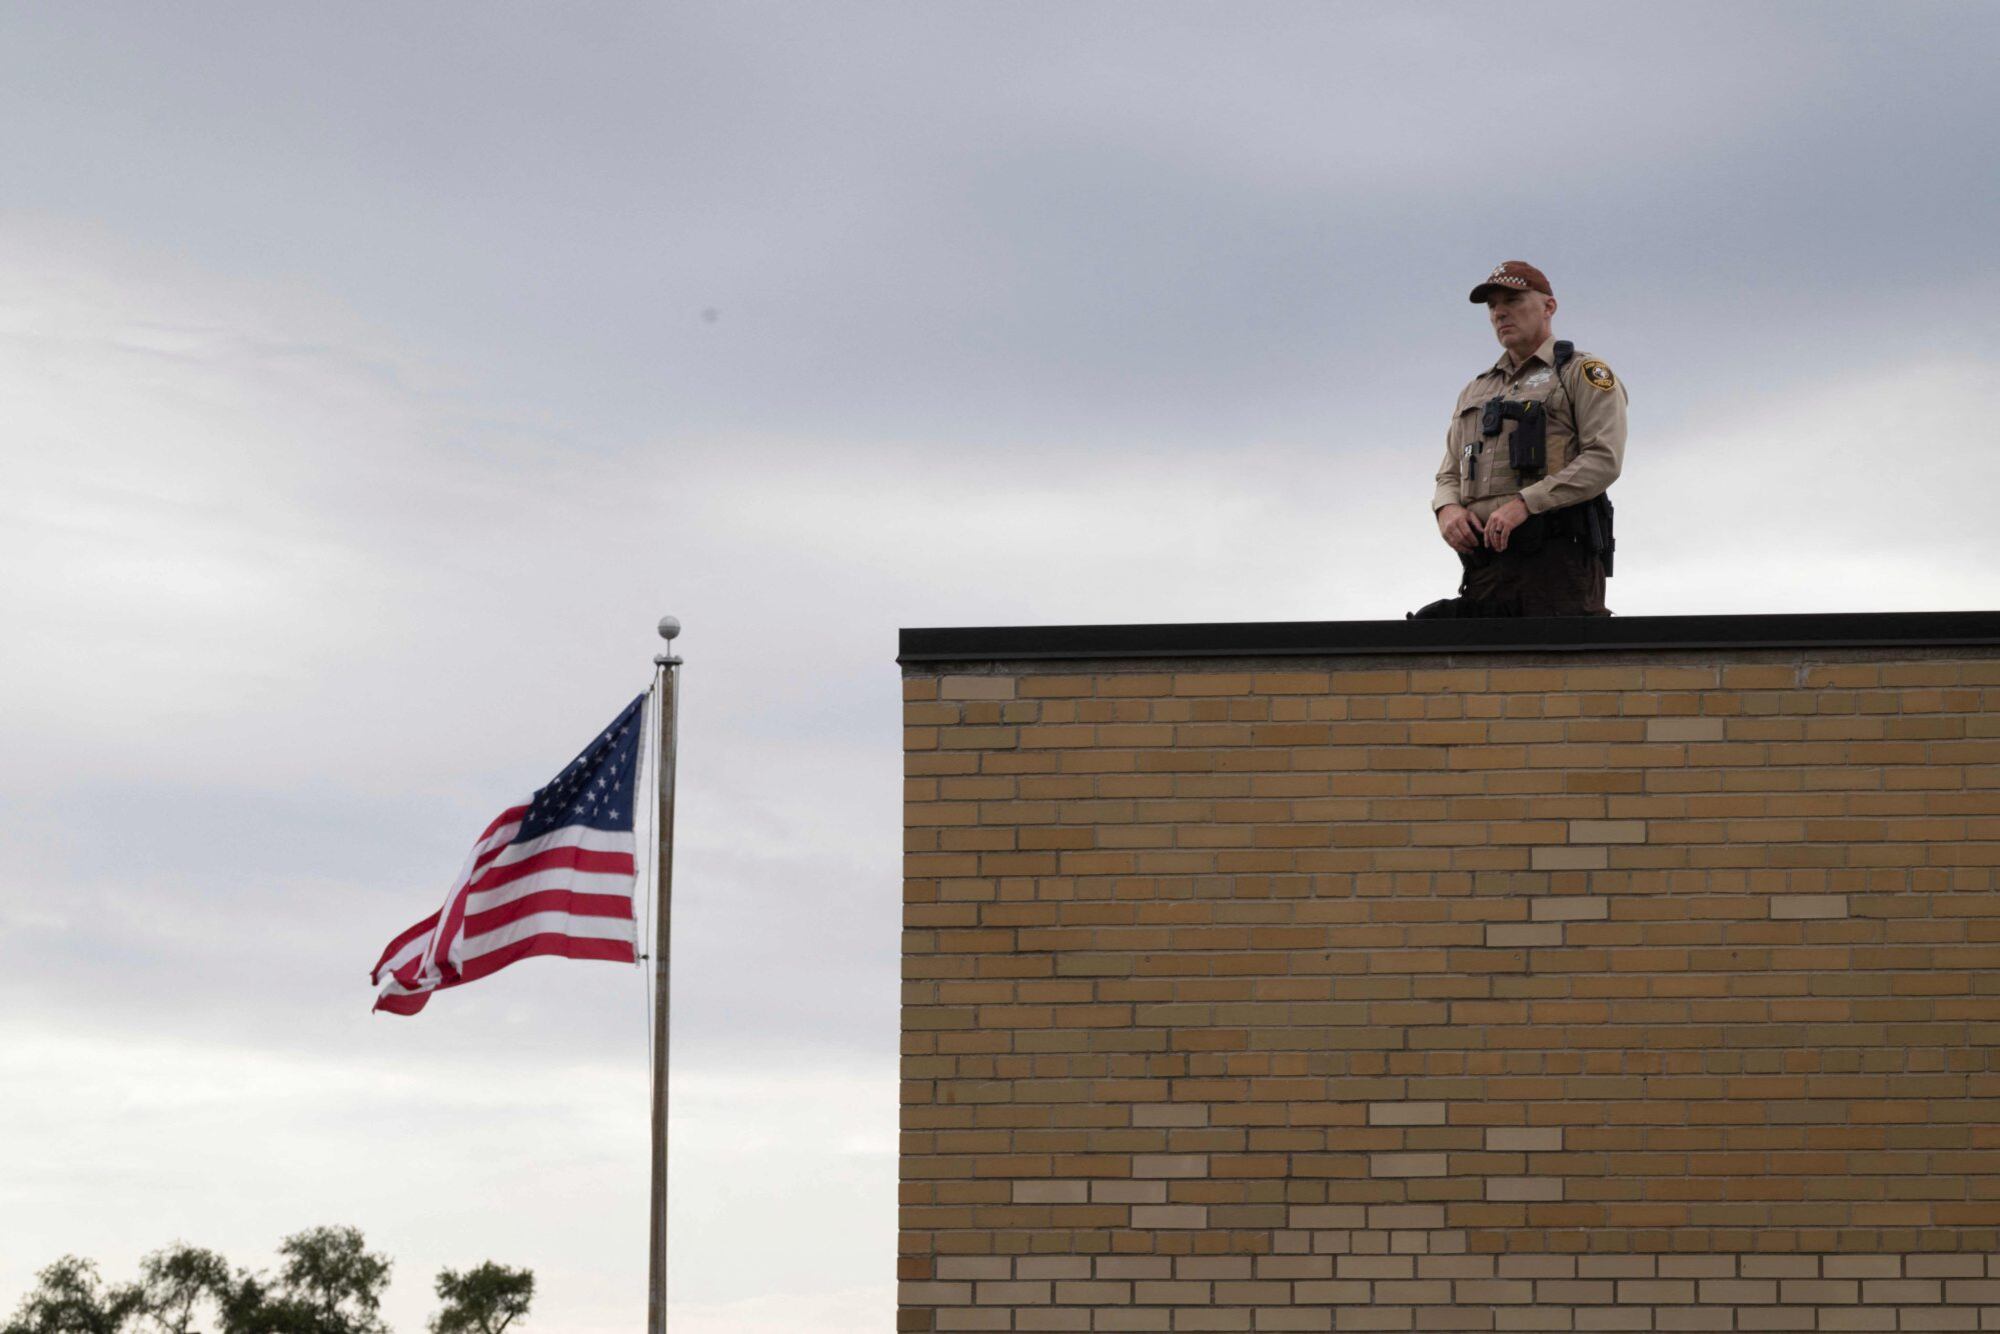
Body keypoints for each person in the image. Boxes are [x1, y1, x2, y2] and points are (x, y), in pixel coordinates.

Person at [1414, 261, 1627, 618]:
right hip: (1486, 566)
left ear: (1549, 307)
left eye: (1512, 300)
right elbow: (1448, 472)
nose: (1500, 312)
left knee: (1556, 668)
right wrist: (1447, 509)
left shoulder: (1580, 373)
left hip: (1557, 562)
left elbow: (1603, 459)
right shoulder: (1477, 389)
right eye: (1492, 305)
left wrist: (1525, 503)